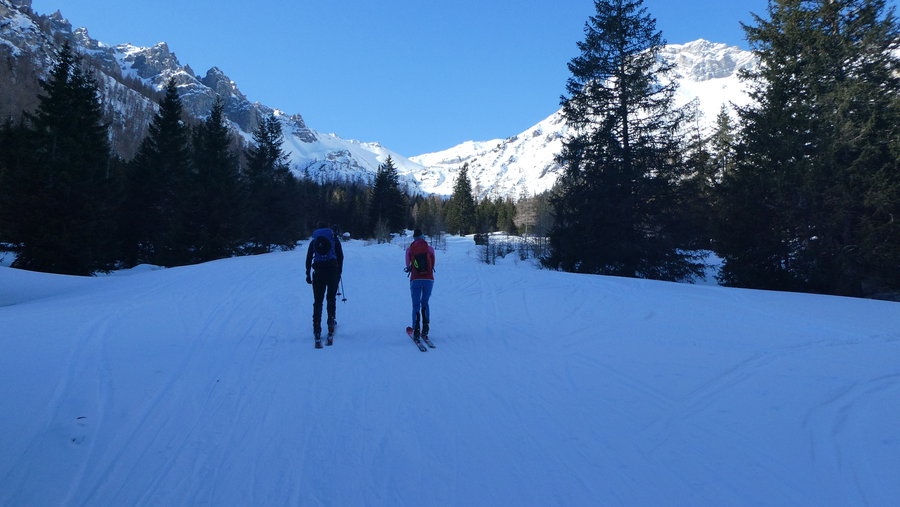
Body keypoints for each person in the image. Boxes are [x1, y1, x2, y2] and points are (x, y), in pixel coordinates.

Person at [306, 221, 344, 347]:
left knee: (318, 301)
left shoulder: (314, 241)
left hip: (318, 272)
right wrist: (339, 272)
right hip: (332, 272)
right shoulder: (334, 239)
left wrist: (307, 274)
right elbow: (340, 256)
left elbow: (308, 258)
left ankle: (317, 328)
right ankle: (331, 324)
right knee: (331, 298)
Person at [405, 229, 435, 341]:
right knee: (425, 303)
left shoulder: (410, 249)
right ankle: (425, 329)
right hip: (429, 279)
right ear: (422, 237)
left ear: (414, 238)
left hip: (415, 279)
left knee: (416, 304)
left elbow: (408, 264)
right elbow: (433, 264)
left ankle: (416, 329)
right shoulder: (430, 249)